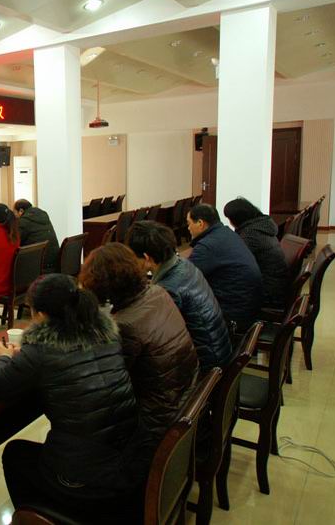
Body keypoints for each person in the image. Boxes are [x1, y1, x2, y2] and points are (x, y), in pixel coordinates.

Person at [0, 274, 142, 520]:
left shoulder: (42, 349)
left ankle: (36, 519)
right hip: (128, 461)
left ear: (41, 315)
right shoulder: (107, 332)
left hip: (85, 480)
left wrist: (3, 357)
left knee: (15, 454)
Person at [80, 243, 198, 476]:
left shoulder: (126, 326)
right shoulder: (157, 293)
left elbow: (100, 385)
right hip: (182, 401)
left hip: (154, 426)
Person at [126, 221, 232, 372]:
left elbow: (155, 339)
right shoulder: (184, 264)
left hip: (205, 366)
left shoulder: (168, 290)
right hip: (217, 351)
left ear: (146, 257)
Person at [187, 203, 263, 332]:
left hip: (232, 316)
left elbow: (185, 278)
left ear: (200, 223)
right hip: (248, 306)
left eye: (189, 223)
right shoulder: (226, 233)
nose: (188, 228)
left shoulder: (208, 245)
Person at [224, 197, 290, 308]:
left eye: (229, 219)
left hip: (268, 293)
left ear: (237, 218)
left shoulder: (250, 235)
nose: (230, 222)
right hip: (276, 286)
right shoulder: (261, 226)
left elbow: (234, 262)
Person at [14, 199, 59, 273]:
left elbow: (16, 242)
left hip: (39, 264)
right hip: (54, 260)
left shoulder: (23, 221)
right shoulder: (43, 215)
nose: (15, 216)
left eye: (15, 213)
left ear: (21, 211)